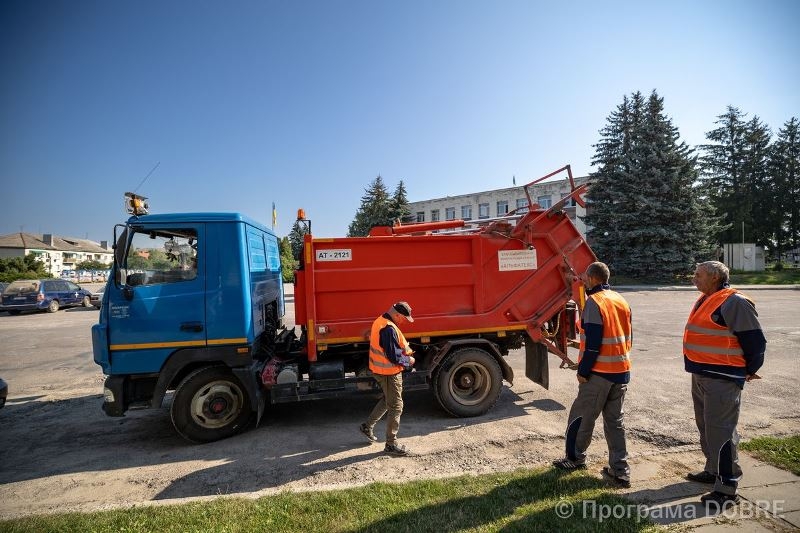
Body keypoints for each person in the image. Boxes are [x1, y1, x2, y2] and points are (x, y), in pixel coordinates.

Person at [683, 261, 766, 506]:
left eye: (698, 275)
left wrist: (749, 370)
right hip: (702, 373)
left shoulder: (735, 302)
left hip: (723, 378)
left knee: (721, 431)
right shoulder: (708, 298)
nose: (693, 278)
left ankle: (727, 488)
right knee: (707, 427)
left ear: (715, 277)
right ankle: (713, 470)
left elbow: (755, 342)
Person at [553, 261, 633, 488]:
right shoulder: (620, 299)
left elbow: (594, 343)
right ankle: (620, 471)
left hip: (599, 373)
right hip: (621, 370)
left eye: (585, 277)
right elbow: (628, 336)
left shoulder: (594, 303)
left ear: (594, 278)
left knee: (581, 416)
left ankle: (574, 458)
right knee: (615, 422)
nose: (583, 280)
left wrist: (583, 371)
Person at [360, 301, 416, 456]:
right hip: (389, 372)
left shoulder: (381, 321)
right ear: (397, 314)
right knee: (396, 406)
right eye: (404, 318)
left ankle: (367, 426)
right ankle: (391, 445)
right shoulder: (388, 328)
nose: (404, 321)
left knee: (388, 400)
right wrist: (408, 361)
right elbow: (393, 355)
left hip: (380, 370)